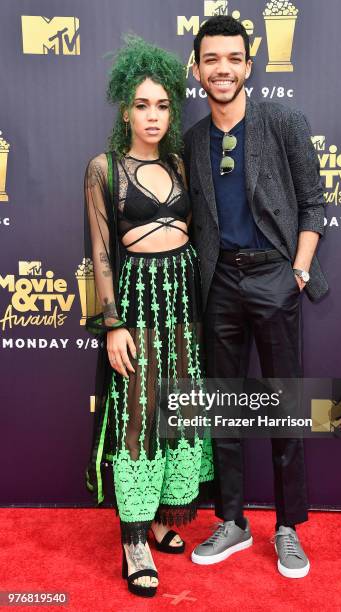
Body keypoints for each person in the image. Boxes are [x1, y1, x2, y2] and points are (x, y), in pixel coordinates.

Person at [183, 16, 328, 578]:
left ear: (249, 63)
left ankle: (288, 527)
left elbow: (314, 204)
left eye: (233, 58)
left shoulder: (283, 121)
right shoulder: (194, 140)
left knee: (284, 404)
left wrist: (297, 270)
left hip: (274, 276)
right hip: (219, 282)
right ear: (197, 69)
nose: (222, 68)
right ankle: (233, 521)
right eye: (211, 59)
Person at [83, 35, 213, 598]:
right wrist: (113, 324)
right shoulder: (104, 168)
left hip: (185, 303)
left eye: (162, 104)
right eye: (141, 105)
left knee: (177, 409)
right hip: (136, 303)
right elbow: (102, 252)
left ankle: (163, 518)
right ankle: (134, 536)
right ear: (124, 108)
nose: (153, 115)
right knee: (137, 411)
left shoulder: (183, 161)